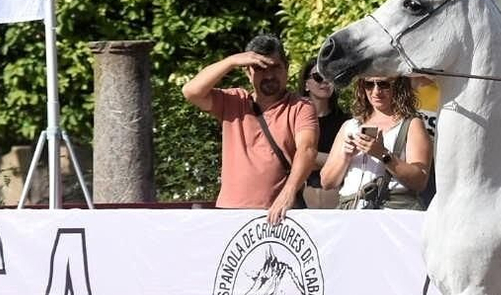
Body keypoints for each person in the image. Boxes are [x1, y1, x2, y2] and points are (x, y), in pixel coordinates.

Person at [183, 34, 318, 225]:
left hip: (277, 215)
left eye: (275, 67)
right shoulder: (233, 101)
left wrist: (288, 193)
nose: (269, 75)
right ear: (247, 72)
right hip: (230, 213)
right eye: (260, 68)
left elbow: (307, 149)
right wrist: (231, 61)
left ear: (286, 68)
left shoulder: (300, 106)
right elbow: (191, 91)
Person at [318, 74, 432, 209]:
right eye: (369, 84)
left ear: (398, 85)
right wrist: (345, 156)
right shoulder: (350, 125)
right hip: (351, 211)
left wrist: (382, 154)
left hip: (393, 210)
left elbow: (420, 180)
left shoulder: (411, 124)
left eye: (383, 84)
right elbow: (326, 182)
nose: (376, 91)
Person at [298, 57, 349, 208]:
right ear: (306, 84)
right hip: (300, 200)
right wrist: (337, 159)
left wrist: (307, 156)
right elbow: (291, 157)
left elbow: (351, 161)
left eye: (330, 77)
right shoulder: (295, 119)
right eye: (318, 77)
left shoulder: (347, 121)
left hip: (337, 199)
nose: (325, 82)